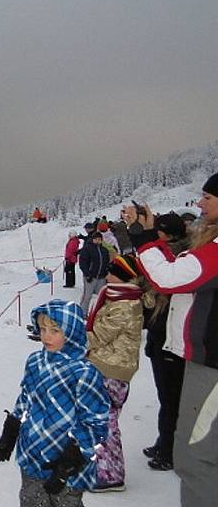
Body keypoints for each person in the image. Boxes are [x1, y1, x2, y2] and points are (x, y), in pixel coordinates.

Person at [122, 172, 218, 507]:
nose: (200, 203)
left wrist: (147, 237)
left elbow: (168, 277)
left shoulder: (217, 250)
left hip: (211, 362)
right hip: (201, 355)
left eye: (208, 197)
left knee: (195, 456)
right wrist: (146, 234)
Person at [0, 299, 109, 507]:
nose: (46, 336)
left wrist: (70, 461)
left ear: (71, 332)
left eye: (55, 330)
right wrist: (10, 432)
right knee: (31, 500)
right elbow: (25, 398)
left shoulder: (83, 373)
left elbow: (96, 422)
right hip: (33, 454)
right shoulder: (36, 361)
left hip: (67, 463)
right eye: (43, 329)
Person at [85, 255, 143, 492]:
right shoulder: (119, 298)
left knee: (105, 423)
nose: (106, 276)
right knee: (102, 420)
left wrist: (67, 337)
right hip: (106, 366)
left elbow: (99, 336)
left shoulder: (124, 305)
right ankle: (101, 467)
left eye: (111, 272)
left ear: (121, 275)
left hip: (111, 370)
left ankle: (111, 475)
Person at [139, 212, 189, 472]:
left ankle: (170, 450)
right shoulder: (170, 254)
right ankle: (164, 441)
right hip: (160, 333)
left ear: (165, 233)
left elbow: (160, 285)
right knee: (166, 396)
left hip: (170, 337)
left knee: (171, 397)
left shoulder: (175, 260)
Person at [78, 231, 110, 315]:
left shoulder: (104, 250)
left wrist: (107, 272)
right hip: (90, 276)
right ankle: (83, 313)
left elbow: (107, 262)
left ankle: (100, 313)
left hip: (101, 277)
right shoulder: (87, 249)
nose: (98, 241)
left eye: (99, 239)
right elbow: (82, 262)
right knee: (87, 296)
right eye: (96, 239)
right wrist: (87, 274)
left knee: (102, 296)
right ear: (93, 239)